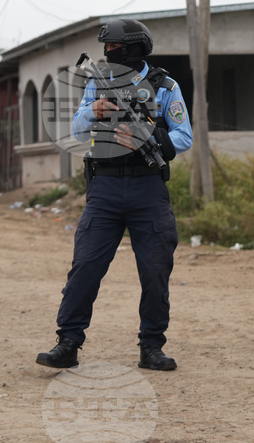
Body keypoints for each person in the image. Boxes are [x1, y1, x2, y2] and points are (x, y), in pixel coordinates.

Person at [36, 19, 193, 371]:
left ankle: (151, 346)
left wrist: (148, 138)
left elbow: (184, 136)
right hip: (104, 187)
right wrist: (94, 110)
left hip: (148, 188)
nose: (108, 53)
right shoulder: (97, 83)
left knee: (155, 270)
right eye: (106, 48)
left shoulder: (165, 86)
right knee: (86, 266)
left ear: (135, 48)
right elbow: (77, 129)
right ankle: (68, 342)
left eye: (114, 47)